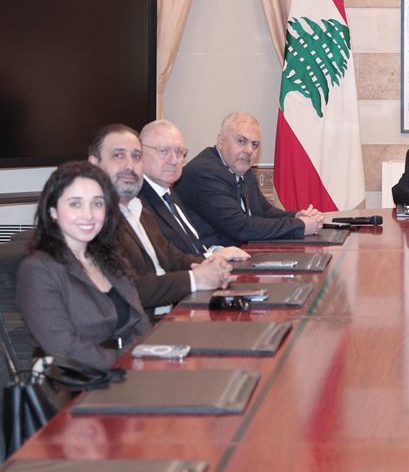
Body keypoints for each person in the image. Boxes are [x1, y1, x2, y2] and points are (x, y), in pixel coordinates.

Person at [88, 124, 233, 318]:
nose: (130, 166)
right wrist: (195, 279)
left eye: (136, 156)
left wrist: (215, 265)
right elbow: (128, 287)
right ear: (94, 164)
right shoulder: (92, 221)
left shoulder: (139, 210)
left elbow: (173, 258)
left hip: (171, 316)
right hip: (141, 327)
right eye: (119, 155)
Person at [16, 162, 151, 369]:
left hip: (127, 371)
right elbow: (64, 349)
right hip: (77, 380)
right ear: (53, 211)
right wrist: (128, 362)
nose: (88, 215)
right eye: (75, 204)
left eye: (97, 204)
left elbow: (140, 324)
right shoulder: (37, 269)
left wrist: (151, 355)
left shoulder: (110, 258)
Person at [176, 112, 324, 246]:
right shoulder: (205, 173)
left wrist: (297, 216)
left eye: (254, 145)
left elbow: (264, 211)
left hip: (238, 254)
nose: (249, 150)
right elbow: (240, 227)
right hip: (207, 260)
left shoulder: (242, 169)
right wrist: (299, 225)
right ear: (221, 141)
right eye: (241, 141)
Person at [139, 120, 249, 261]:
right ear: (140, 153)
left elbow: (192, 247)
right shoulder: (138, 202)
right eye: (164, 151)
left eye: (179, 152)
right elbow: (166, 262)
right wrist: (210, 257)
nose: (174, 160)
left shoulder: (170, 194)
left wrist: (216, 251)